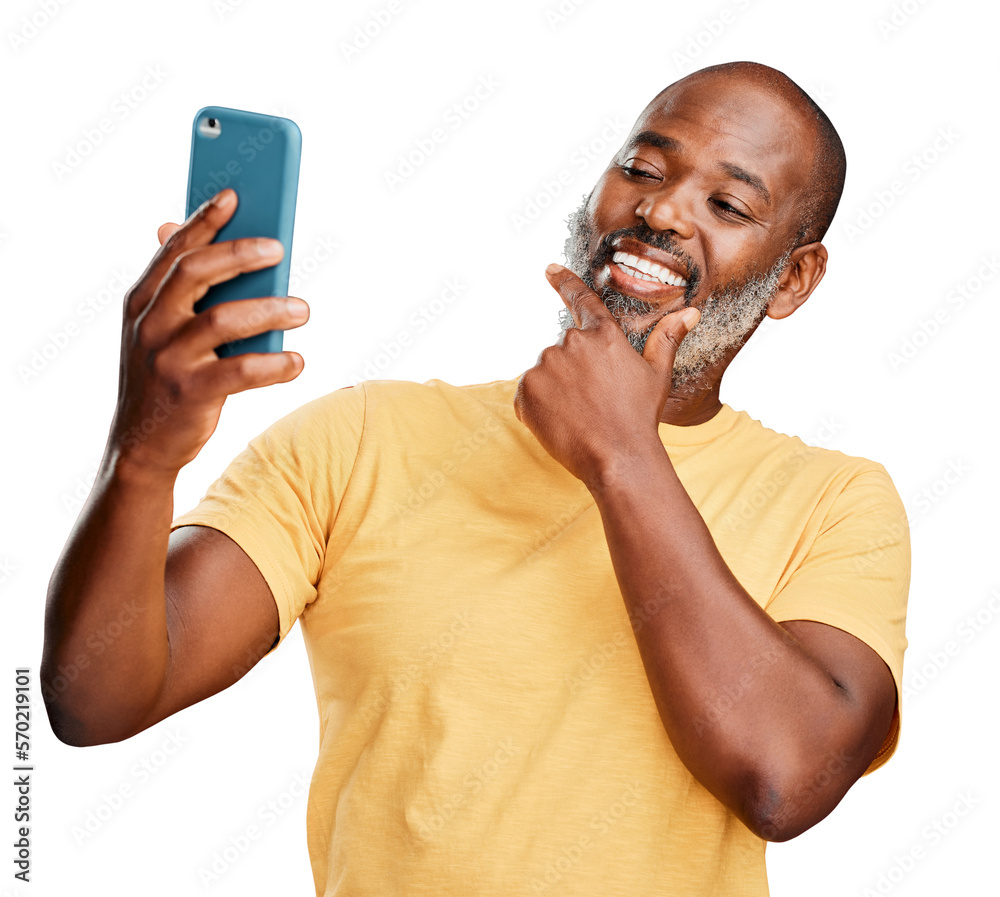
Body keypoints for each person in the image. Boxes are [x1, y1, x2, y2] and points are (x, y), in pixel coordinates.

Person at [42, 60, 910, 895]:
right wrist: (144, 450)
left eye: (726, 202)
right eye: (643, 166)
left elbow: (785, 779)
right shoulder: (364, 437)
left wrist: (622, 456)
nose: (663, 210)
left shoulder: (837, 502)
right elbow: (95, 699)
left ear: (792, 278)